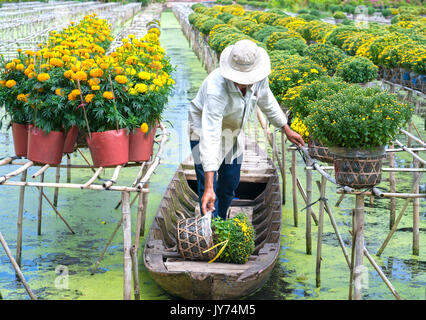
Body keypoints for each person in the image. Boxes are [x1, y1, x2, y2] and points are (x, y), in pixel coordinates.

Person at [188, 39, 305, 219]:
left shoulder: (258, 79)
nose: (245, 83)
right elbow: (210, 136)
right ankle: (211, 230)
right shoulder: (216, 89)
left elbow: (267, 101)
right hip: (202, 129)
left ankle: (221, 221)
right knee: (207, 182)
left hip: (232, 132)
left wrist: (286, 128)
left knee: (230, 182)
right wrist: (210, 187)